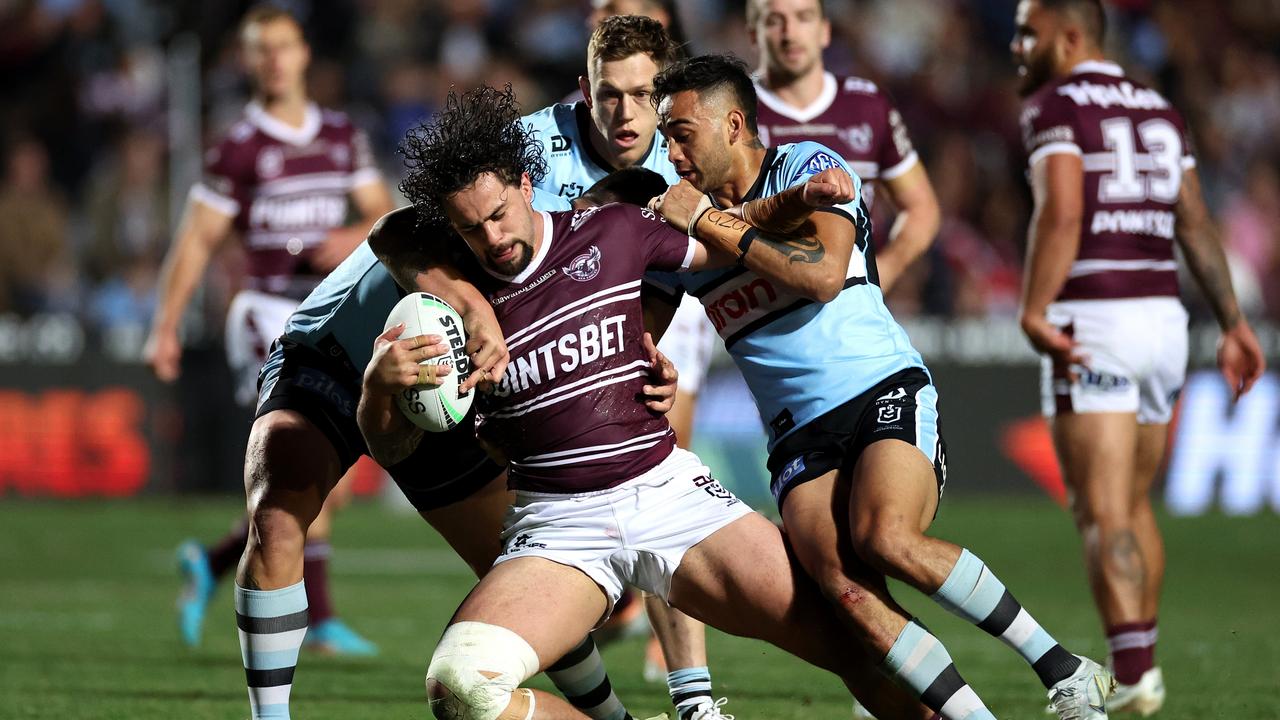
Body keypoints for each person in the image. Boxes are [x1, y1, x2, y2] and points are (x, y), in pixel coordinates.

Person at [391, 83, 935, 720]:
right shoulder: (440, 313)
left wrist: (798, 197)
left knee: (857, 637)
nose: (492, 237)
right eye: (470, 227)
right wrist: (466, 306)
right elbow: (389, 233)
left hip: (667, 493)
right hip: (556, 526)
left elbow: (724, 232)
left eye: (499, 213)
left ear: (525, 183)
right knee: (460, 685)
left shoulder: (615, 230)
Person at [645, 54, 1113, 720]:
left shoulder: (806, 165)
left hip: (878, 389)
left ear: (734, 124)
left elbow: (822, 275)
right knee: (848, 592)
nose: (672, 151)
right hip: (797, 436)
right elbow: (641, 328)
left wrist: (711, 223)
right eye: (665, 135)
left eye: (682, 132)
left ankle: (1066, 671)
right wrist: (646, 357)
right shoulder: (679, 228)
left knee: (885, 537)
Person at [230, 178, 671, 720]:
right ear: (576, 207)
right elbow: (394, 229)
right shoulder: (497, 221)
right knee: (276, 519)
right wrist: (466, 301)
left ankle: (615, 719)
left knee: (517, 575)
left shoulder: (569, 289)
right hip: (328, 357)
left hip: (439, 400)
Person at [1011, 0, 1267, 714]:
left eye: (1028, 30)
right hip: (1164, 322)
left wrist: (1035, 305)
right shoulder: (1156, 107)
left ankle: (1133, 679)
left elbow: (1062, 209)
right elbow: (1193, 217)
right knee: (1131, 505)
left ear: (1069, 37)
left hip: (1095, 316)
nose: (1015, 44)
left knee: (1100, 512)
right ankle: (1139, 662)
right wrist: (1234, 321)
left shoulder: (1055, 105)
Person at [144, 6, 395, 655]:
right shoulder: (238, 146)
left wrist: (351, 235)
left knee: (323, 468)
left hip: (328, 310)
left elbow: (382, 215)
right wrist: (165, 326)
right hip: (264, 312)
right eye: (261, 51)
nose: (274, 60)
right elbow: (197, 239)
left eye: (283, 47)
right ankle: (317, 616)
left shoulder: (341, 135)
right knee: (303, 453)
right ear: (248, 62)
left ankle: (215, 557)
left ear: (304, 52)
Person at [522, 15, 724, 716]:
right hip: (533, 354)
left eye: (643, 95)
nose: (626, 113)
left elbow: (668, 284)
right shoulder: (533, 149)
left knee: (663, 478)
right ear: (585, 91)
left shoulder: (683, 164)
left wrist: (640, 353)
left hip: (627, 329)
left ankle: (692, 697)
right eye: (610, 95)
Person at [747, 0, 940, 291]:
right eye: (774, 20)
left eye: (804, 17)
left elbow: (921, 208)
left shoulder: (868, 106)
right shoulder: (735, 110)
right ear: (753, 33)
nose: (790, 33)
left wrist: (883, 271)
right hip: (764, 303)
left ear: (825, 31)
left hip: (851, 310)